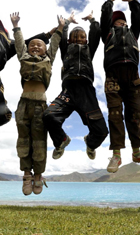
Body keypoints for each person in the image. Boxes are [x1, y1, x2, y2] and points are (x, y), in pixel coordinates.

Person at [100, 0, 140, 173]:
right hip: (113, 77)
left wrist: (132, 2)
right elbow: (105, 17)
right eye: (117, 20)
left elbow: (138, 16)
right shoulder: (107, 35)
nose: (120, 22)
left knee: (135, 114)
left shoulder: (133, 33)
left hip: (133, 77)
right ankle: (116, 155)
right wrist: (109, 3)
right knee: (115, 115)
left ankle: (137, 152)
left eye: (123, 20)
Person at [42, 11, 108, 162]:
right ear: (70, 40)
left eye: (82, 37)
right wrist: (68, 22)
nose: (78, 39)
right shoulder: (66, 49)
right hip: (68, 91)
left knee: (102, 131)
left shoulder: (89, 50)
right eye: (75, 37)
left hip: (86, 92)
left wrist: (92, 20)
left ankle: (90, 143)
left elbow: (96, 33)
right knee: (48, 116)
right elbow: (63, 34)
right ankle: (62, 141)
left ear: (86, 40)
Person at [10, 12, 64, 196]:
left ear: (44, 49)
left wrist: (61, 28)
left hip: (41, 105)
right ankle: (27, 175)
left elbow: (55, 45)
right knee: (24, 140)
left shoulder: (49, 59)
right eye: (32, 44)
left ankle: (38, 176)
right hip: (24, 104)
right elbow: (19, 45)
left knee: (40, 141)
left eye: (39, 45)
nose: (35, 46)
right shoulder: (23, 57)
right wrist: (16, 26)